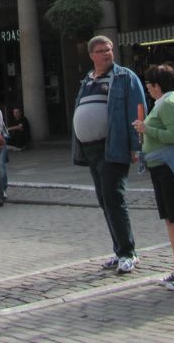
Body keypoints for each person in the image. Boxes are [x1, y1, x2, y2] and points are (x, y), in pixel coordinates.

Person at [71, 35, 147, 274]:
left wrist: (137, 145)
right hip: (91, 149)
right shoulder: (87, 80)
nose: (106, 54)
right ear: (92, 55)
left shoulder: (124, 77)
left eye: (109, 50)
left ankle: (128, 252)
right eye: (101, 51)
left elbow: (138, 109)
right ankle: (119, 249)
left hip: (112, 145)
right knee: (105, 200)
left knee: (114, 198)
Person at [133, 64, 174, 290]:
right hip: (159, 167)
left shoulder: (168, 103)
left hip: (171, 168)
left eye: (149, 85)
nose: (148, 89)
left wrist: (146, 129)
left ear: (157, 86)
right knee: (171, 220)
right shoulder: (161, 103)